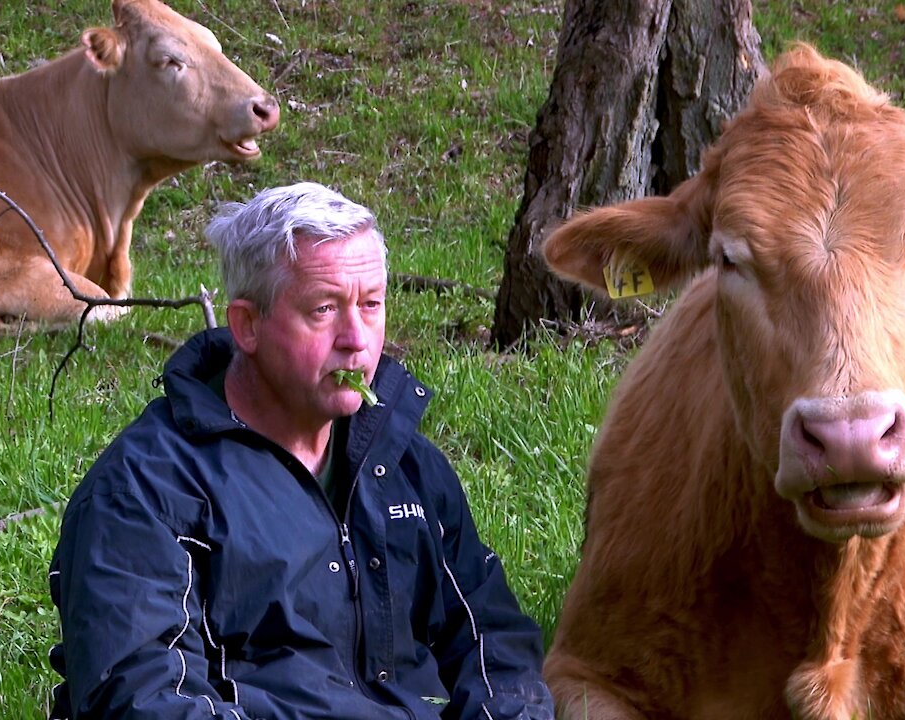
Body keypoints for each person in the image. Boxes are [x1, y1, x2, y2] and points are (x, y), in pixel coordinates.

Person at [46, 182, 555, 719]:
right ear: (247, 325)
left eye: (371, 304)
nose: (356, 338)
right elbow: (141, 700)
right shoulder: (144, 491)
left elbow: (490, 637)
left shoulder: (404, 464)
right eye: (323, 309)